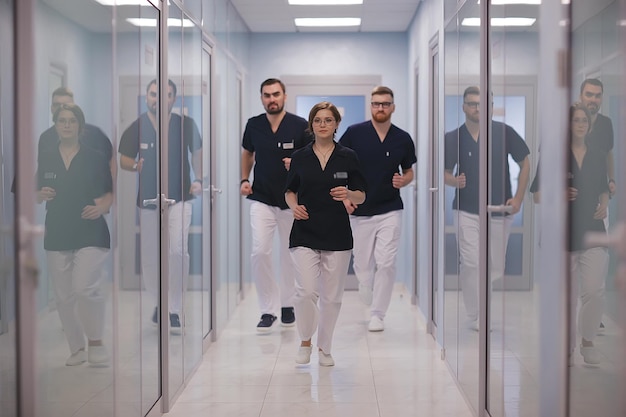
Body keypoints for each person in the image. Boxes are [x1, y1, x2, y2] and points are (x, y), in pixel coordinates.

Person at [285, 101, 367, 366]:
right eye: (318, 120)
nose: (323, 125)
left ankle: (325, 348)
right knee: (305, 291)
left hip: (337, 233)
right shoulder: (299, 157)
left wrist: (349, 194)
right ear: (311, 125)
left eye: (328, 120)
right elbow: (289, 191)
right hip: (305, 231)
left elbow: (362, 195)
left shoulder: (349, 156)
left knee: (332, 298)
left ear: (336, 125)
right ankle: (305, 341)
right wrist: (294, 207)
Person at [118, 79, 202, 334]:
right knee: (151, 256)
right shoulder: (137, 127)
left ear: (173, 99)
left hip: (180, 198)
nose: (158, 99)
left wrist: (198, 178)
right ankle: (160, 303)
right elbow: (123, 159)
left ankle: (175, 308)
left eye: (165, 95)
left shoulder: (185, 124)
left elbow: (197, 153)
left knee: (177, 251)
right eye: (154, 94)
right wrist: (135, 166)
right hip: (149, 201)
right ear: (146, 97)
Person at [444, 86, 530, 331]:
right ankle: (477, 313)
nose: (478, 108)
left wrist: (518, 199)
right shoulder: (453, 137)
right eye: (472, 104)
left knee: (493, 266)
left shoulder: (504, 132)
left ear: (491, 106)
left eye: (483, 104)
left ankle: (479, 310)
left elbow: (525, 163)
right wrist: (454, 181)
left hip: (498, 209)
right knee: (471, 262)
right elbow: (444, 172)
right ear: (463, 107)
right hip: (466, 209)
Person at [530, 103, 608, 364]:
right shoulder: (553, 155)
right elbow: (537, 196)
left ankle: (587, 340)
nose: (581, 124)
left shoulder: (597, 155)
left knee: (595, 291)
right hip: (562, 236)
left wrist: (606, 201)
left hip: (593, 231)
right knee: (567, 297)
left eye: (584, 120)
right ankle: (567, 346)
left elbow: (603, 187)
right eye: (576, 120)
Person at [37, 103, 113, 366]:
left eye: (71, 121)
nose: (67, 125)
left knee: (83, 288)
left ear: (80, 126)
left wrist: (100, 208)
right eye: (62, 121)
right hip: (58, 230)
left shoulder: (94, 157)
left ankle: (95, 341)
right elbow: (34, 191)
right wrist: (39, 195)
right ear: (55, 125)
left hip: (90, 230)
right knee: (63, 296)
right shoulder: (46, 155)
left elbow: (108, 196)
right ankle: (77, 348)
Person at [338, 86, 416, 332]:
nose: (380, 108)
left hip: (390, 208)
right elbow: (338, 166)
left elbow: (409, 171)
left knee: (386, 261)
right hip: (360, 209)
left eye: (385, 103)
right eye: (376, 103)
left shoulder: (402, 138)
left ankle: (378, 314)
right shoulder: (354, 133)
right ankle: (364, 282)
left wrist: (405, 180)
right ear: (371, 106)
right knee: (362, 264)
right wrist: (345, 198)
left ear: (393, 107)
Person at [241, 78, 311, 332]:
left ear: (284, 96)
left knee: (290, 255)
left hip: (291, 200)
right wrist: (244, 179)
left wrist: (297, 165)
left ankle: (287, 305)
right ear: (261, 98)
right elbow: (248, 153)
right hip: (261, 198)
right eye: (267, 95)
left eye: (276, 94)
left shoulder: (299, 125)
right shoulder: (254, 125)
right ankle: (267, 309)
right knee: (260, 252)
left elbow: (311, 158)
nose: (272, 99)